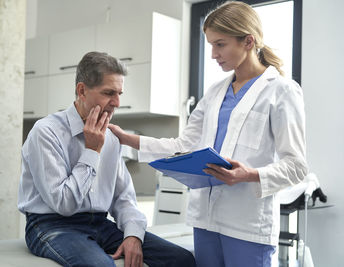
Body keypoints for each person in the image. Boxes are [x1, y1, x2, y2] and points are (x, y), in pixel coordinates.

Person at [108, 2, 308, 267]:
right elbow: (182, 145)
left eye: (220, 44)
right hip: (206, 220)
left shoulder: (281, 91)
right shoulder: (214, 93)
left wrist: (248, 174)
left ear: (248, 41)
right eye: (211, 45)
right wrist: (126, 138)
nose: (213, 54)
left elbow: (297, 166)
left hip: (247, 224)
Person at [18, 51, 196, 267]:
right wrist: (92, 151)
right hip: (51, 225)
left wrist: (133, 234)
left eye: (120, 93)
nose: (117, 102)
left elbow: (124, 198)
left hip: (101, 223)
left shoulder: (111, 137)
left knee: (182, 260)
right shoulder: (46, 132)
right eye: (109, 93)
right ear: (81, 90)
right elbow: (64, 204)